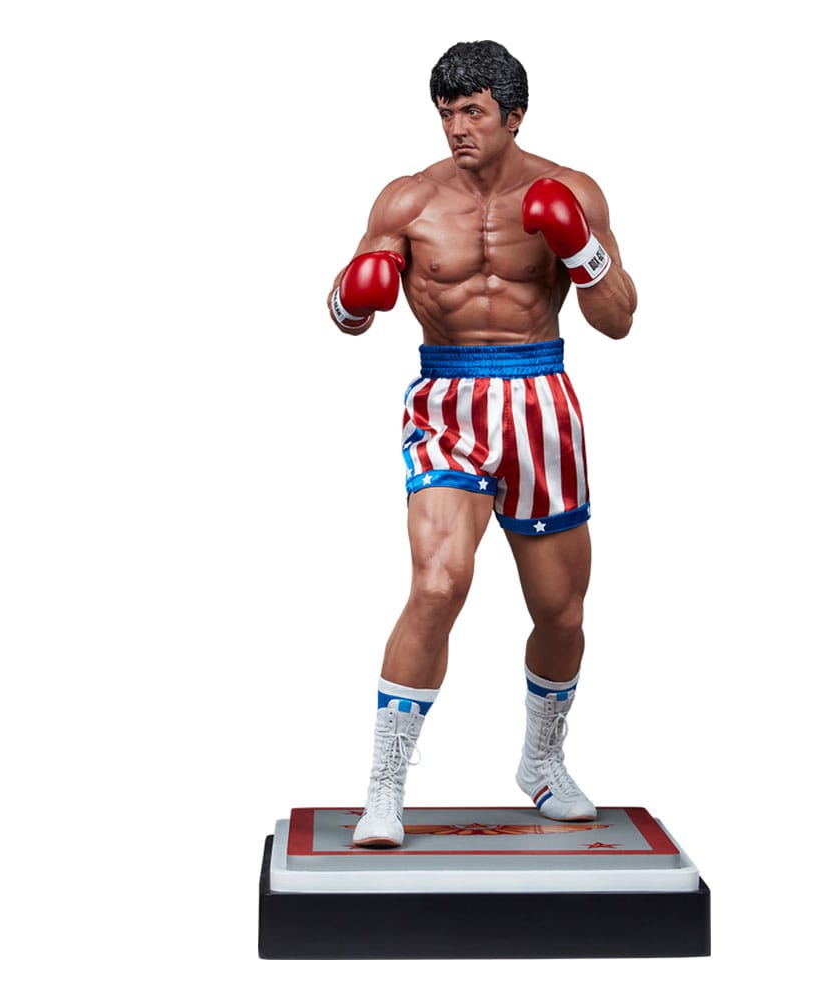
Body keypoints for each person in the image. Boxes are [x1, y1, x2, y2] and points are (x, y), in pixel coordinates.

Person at [327, 40, 637, 847]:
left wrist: (578, 246)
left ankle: (542, 760)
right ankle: (385, 786)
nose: (457, 127)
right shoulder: (408, 199)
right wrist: (356, 297)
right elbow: (345, 309)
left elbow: (618, 319)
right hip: (449, 402)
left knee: (561, 611)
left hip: (540, 398)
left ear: (514, 116)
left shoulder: (570, 189)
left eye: (472, 112)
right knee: (438, 583)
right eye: (446, 113)